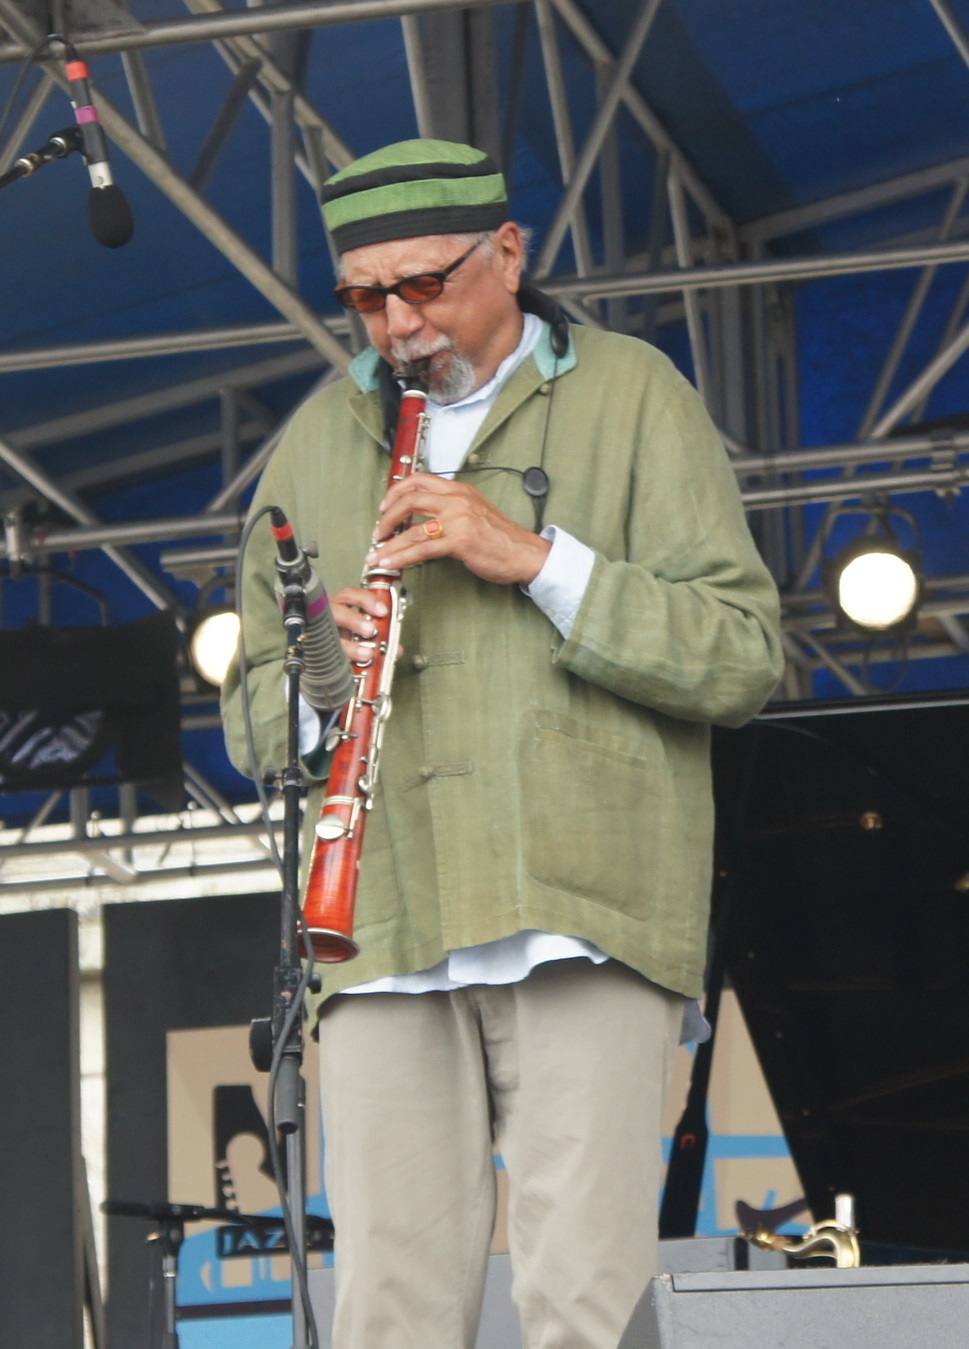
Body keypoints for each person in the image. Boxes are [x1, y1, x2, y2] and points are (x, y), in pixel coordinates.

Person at [221, 138, 783, 1349]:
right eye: (366, 295)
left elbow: (741, 651)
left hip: (582, 903)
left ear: (510, 253)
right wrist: (327, 673)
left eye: (424, 283)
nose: (398, 321)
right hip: (380, 923)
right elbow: (251, 719)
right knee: (385, 1312)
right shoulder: (316, 441)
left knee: (580, 1302)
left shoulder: (635, 392)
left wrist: (533, 560)